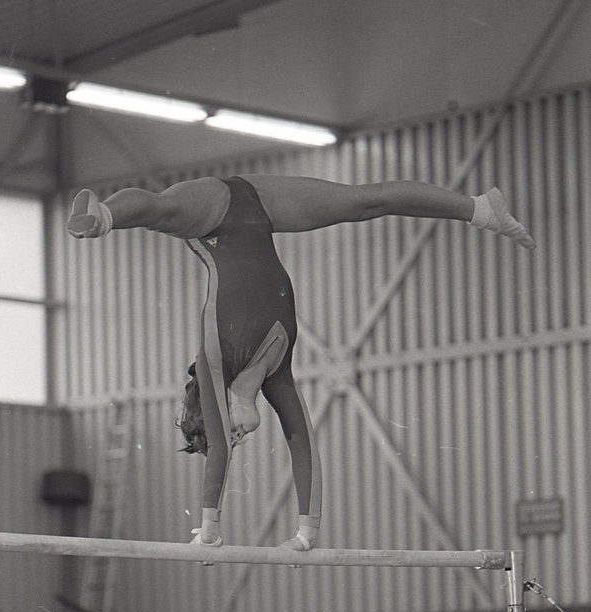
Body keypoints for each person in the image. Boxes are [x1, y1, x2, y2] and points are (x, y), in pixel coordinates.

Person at [67, 174, 535, 550]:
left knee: (163, 211)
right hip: (259, 207)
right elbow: (305, 447)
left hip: (209, 213)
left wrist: (210, 529)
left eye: (229, 431)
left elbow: (220, 452)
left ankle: (103, 215)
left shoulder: (214, 362)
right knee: (364, 203)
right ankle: (480, 209)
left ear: (219, 408)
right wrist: (306, 534)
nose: (239, 437)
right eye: (236, 438)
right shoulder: (278, 379)